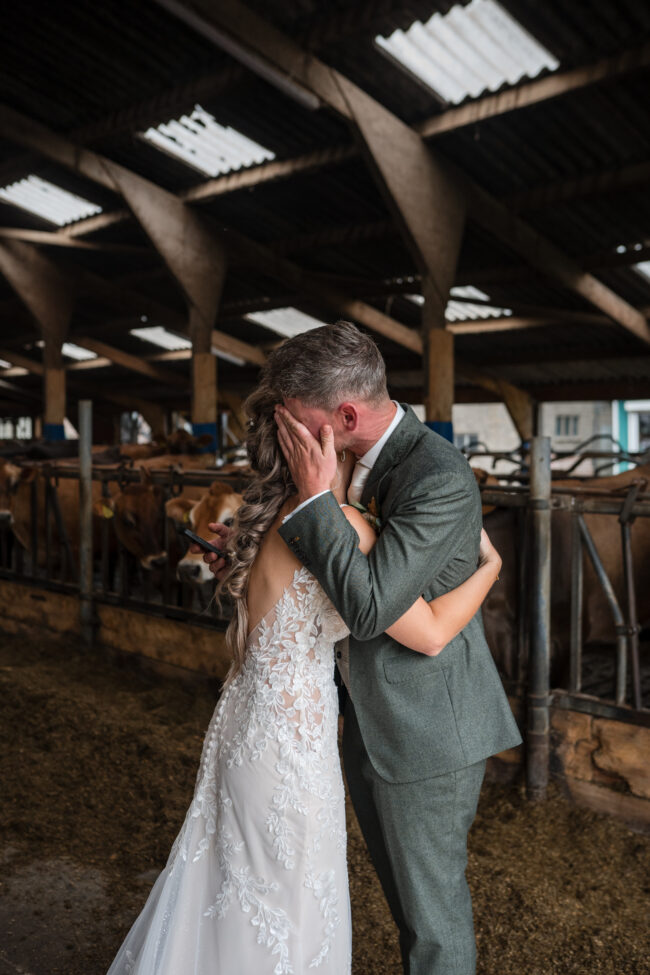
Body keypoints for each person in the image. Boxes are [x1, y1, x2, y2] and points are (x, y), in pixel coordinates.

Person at [105, 329, 510, 975]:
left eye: (301, 418)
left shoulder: (435, 476)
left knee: (428, 920)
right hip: (324, 727)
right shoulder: (317, 506)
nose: (293, 428)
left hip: (422, 729)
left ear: (343, 418)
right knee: (303, 896)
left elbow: (380, 611)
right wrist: (486, 566)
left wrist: (309, 510)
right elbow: (327, 574)